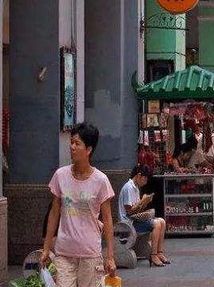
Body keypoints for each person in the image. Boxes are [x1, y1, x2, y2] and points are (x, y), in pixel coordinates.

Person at [41, 122, 117, 286]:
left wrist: (110, 257)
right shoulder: (60, 175)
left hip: (90, 255)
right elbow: (54, 213)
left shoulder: (101, 180)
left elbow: (108, 219)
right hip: (64, 253)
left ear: (88, 150)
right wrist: (46, 247)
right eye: (71, 143)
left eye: (77, 143)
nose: (72, 147)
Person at [118, 164, 169, 267]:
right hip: (128, 223)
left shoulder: (136, 188)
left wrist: (144, 202)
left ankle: (159, 252)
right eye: (145, 178)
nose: (145, 181)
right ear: (139, 175)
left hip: (134, 220)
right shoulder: (129, 187)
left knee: (162, 221)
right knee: (156, 224)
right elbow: (129, 211)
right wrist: (142, 201)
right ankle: (153, 255)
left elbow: (137, 209)